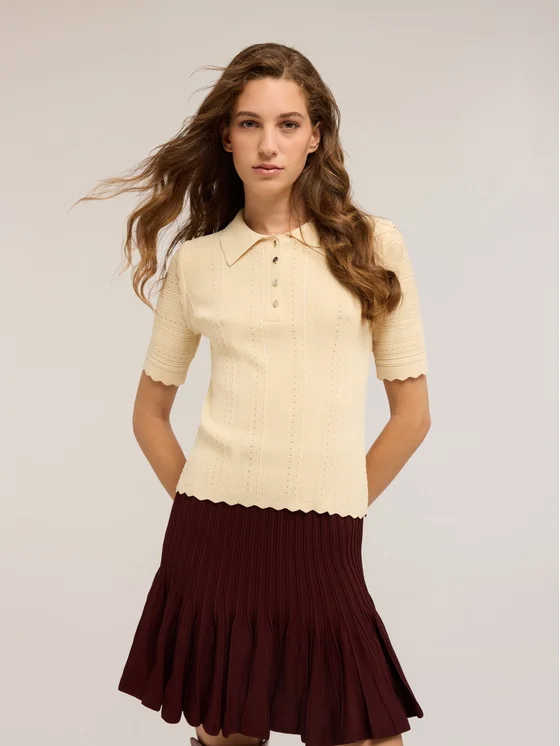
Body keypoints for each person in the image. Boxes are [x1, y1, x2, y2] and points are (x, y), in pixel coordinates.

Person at [78, 42, 430, 746]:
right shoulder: (197, 263)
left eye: (288, 124)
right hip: (212, 536)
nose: (269, 144)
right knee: (229, 733)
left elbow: (412, 417)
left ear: (315, 137)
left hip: (325, 535)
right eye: (250, 123)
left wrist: (337, 500)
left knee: (367, 732)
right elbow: (149, 414)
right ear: (226, 137)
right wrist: (202, 505)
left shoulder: (372, 247)